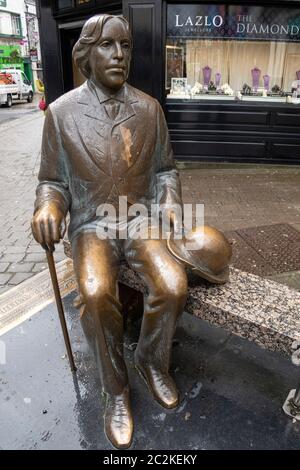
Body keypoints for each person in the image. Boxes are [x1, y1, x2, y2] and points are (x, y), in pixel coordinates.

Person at [31, 14, 188, 449]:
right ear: (86, 54)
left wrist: (171, 201)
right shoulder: (61, 114)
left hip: (140, 221)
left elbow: (165, 171)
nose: (119, 55)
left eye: (126, 47)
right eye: (107, 46)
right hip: (91, 224)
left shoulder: (149, 108)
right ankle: (114, 388)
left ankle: (151, 361)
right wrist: (47, 207)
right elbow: (52, 181)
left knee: (173, 284)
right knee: (97, 292)